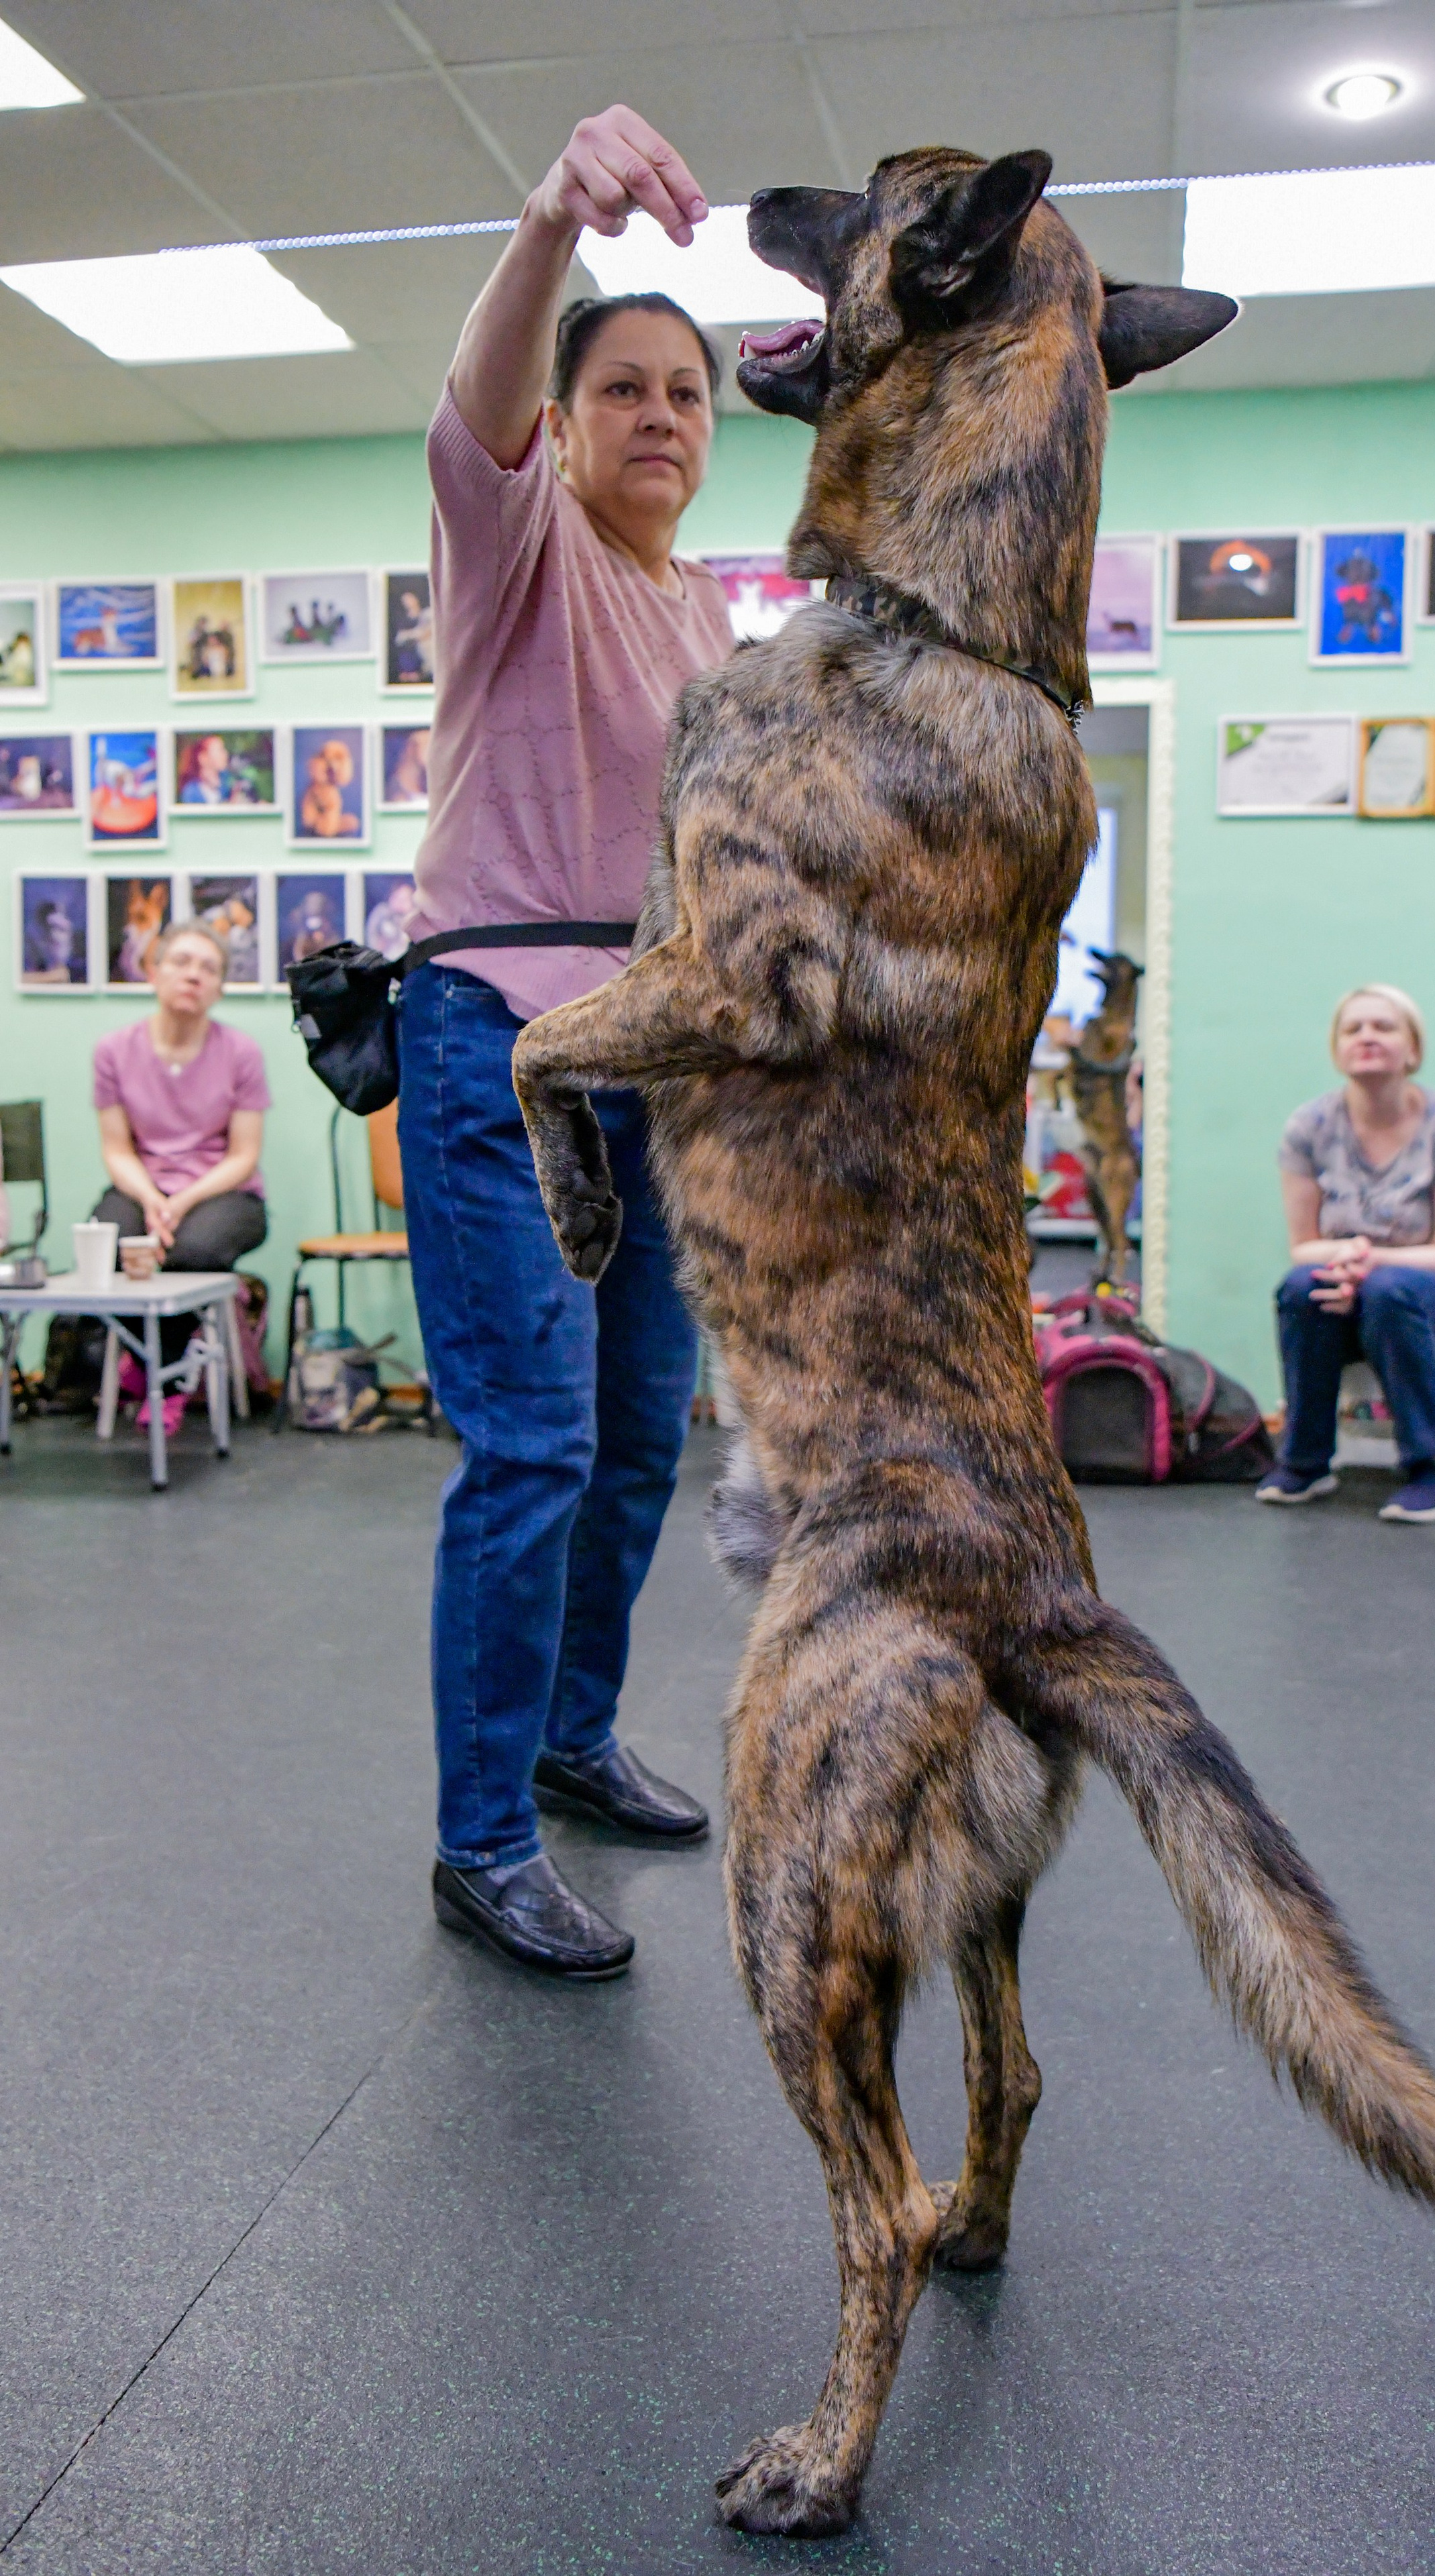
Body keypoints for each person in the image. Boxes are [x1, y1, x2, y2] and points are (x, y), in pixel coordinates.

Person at [395, 103, 731, 1980]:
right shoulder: (518, 541)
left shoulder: (710, 615)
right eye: (627, 388)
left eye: (689, 391)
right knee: (526, 1448)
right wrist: (546, 224)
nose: (663, 415)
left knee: (631, 1447)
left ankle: (571, 1737)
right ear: (575, 418)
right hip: (498, 1046)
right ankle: (478, 1840)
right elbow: (479, 410)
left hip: (655, 1073)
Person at [1261, 984, 1435, 1523]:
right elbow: (1304, 1246)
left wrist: (1368, 1269)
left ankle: (1430, 1470)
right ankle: (1305, 1462)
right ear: (1337, 1049)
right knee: (1301, 1287)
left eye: (1384, 1027)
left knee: (1392, 1291)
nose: (1367, 1036)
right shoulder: (1308, 1127)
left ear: (1413, 1049)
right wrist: (1351, 1264)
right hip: (1354, 1294)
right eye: (1354, 1028)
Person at [91, 920, 268, 1438]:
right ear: (154, 972)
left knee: (193, 1254)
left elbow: (244, 1154)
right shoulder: (113, 1051)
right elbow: (116, 1148)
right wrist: (150, 1196)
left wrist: (182, 1200)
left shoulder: (241, 1053)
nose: (194, 976)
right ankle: (158, 1363)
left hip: (222, 1191)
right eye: (182, 962)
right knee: (109, 1248)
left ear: (219, 988)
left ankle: (159, 1381)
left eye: (208, 968)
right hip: (141, 1187)